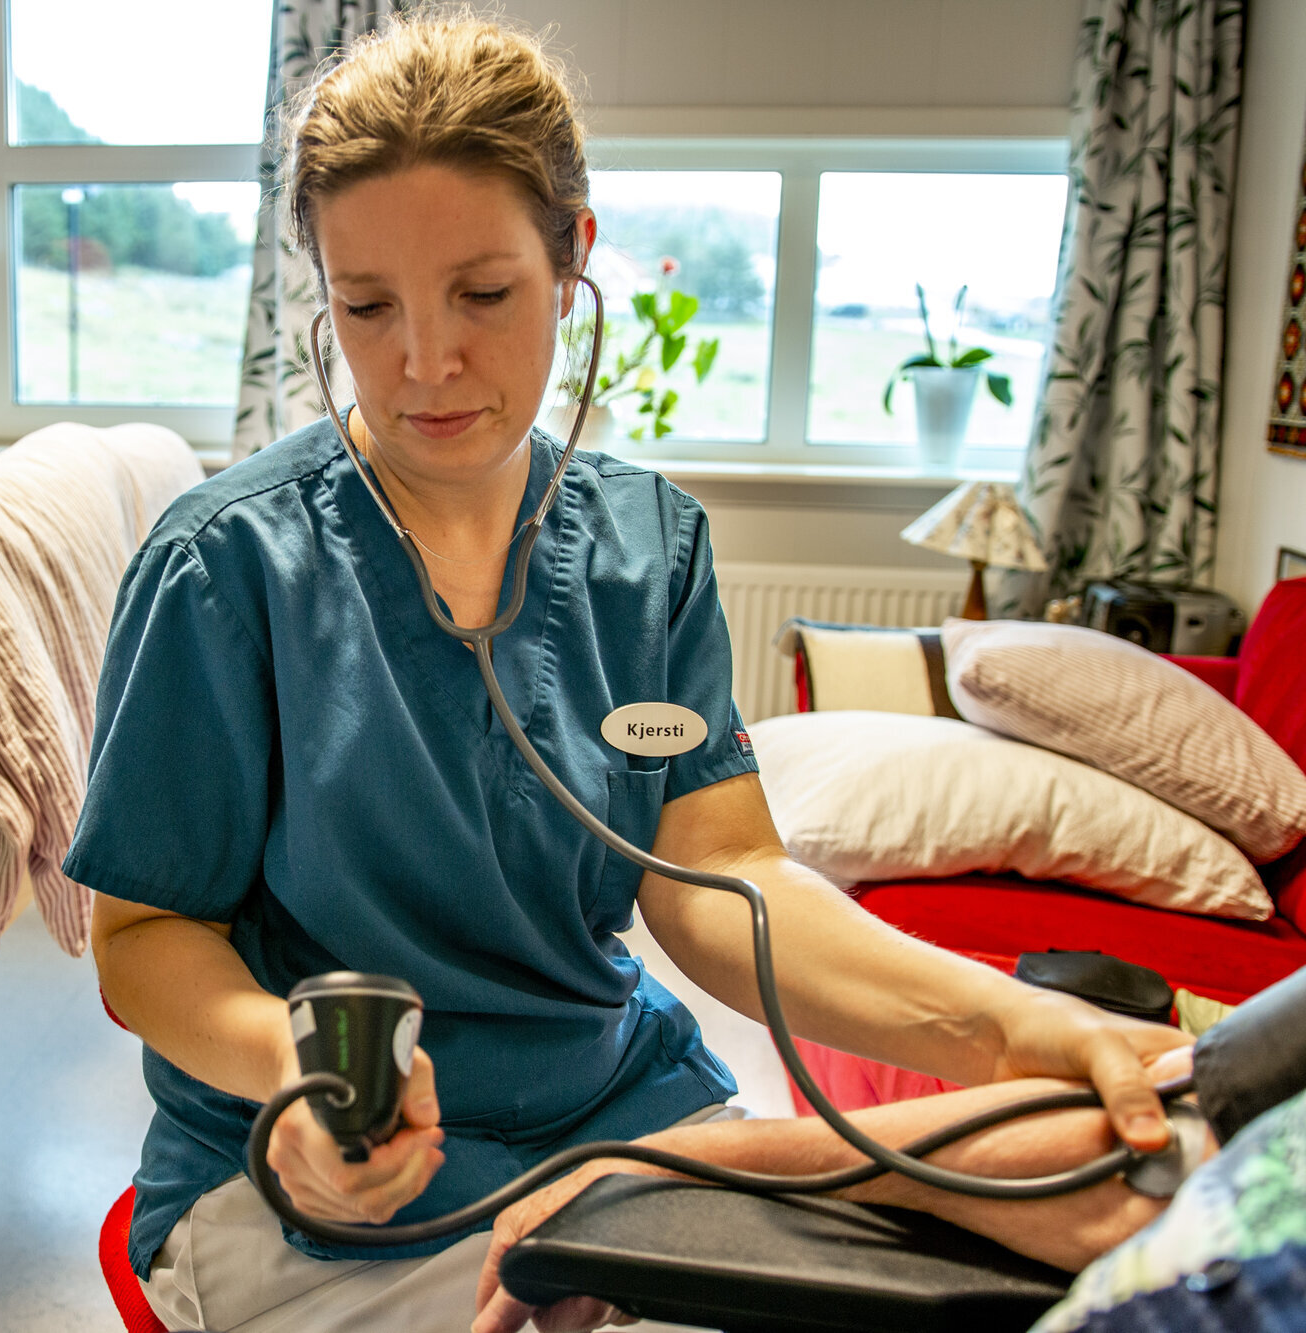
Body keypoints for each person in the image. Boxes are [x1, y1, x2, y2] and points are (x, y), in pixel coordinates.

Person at [65, 12, 1194, 1332]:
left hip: (614, 1112)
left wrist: (1001, 1025)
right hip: (321, 1165)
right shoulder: (225, 566)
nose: (425, 361)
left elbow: (727, 880)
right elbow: (141, 938)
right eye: (367, 306)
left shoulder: (650, 549)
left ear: (572, 261)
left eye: (483, 294)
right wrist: (292, 1069)